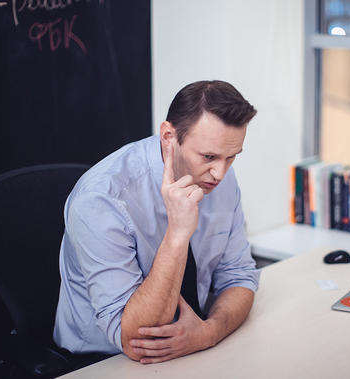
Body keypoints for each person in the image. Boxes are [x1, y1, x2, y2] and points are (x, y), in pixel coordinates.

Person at [53, 80, 260, 364]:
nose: (220, 173)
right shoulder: (100, 200)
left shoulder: (218, 176)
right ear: (168, 136)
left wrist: (210, 332)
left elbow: (239, 276)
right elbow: (136, 339)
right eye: (208, 156)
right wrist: (177, 235)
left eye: (231, 157)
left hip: (190, 343)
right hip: (103, 360)